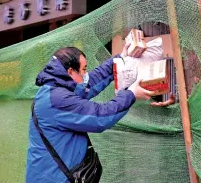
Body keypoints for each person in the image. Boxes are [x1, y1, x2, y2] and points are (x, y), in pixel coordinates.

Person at [26, 45, 154, 183]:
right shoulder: (57, 99)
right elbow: (101, 116)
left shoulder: (55, 89)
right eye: (84, 69)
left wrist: (119, 60)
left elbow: (89, 83)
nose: (86, 75)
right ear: (70, 71)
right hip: (54, 178)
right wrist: (131, 94)